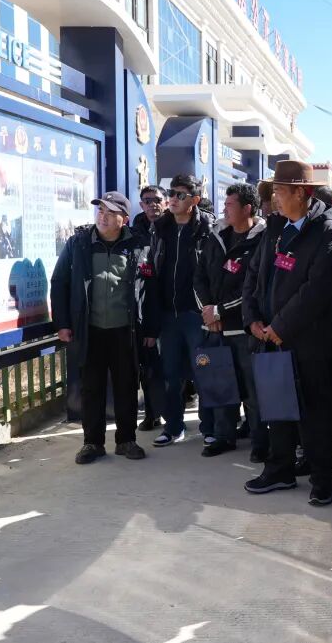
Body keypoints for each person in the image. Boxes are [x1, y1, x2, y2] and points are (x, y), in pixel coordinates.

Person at [241, 160, 332, 505]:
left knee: (315, 413)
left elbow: (316, 290)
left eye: (281, 191)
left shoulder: (326, 231)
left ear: (301, 193)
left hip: (307, 340)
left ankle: (322, 479)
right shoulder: (275, 227)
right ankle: (279, 469)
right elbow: (253, 276)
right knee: (277, 407)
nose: (275, 198)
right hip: (268, 336)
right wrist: (252, 319)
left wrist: (280, 326)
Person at [51, 192, 153, 464]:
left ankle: (126, 440)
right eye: (101, 211)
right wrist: (63, 324)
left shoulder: (138, 245)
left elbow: (150, 289)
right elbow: (59, 282)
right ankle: (92, 443)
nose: (103, 217)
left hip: (125, 329)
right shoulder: (79, 243)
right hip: (90, 329)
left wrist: (150, 329)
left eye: (110, 213)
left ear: (124, 219)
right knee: (91, 387)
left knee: (126, 386)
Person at [193, 182, 268, 460]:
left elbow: (254, 287)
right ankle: (224, 436)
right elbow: (199, 277)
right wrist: (208, 311)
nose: (224, 209)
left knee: (252, 391)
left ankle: (261, 442)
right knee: (220, 386)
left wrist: (220, 311)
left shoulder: (262, 240)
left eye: (230, 204)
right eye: (224, 204)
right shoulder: (217, 237)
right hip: (214, 328)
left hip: (243, 329)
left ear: (247, 208)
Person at [147, 174, 215, 447]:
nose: (173, 199)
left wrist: (209, 307)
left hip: (195, 314)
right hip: (168, 314)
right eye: (171, 193)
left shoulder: (207, 228)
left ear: (195, 200)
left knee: (203, 372)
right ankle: (173, 427)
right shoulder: (160, 227)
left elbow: (213, 272)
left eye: (180, 195)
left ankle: (209, 427)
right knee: (170, 375)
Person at [132, 184, 167, 431]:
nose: (152, 204)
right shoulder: (135, 234)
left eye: (157, 199)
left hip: (174, 307)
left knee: (172, 365)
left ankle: (174, 412)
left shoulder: (173, 227)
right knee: (150, 366)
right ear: (141, 204)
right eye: (147, 200)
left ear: (165, 202)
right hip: (147, 308)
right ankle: (153, 414)